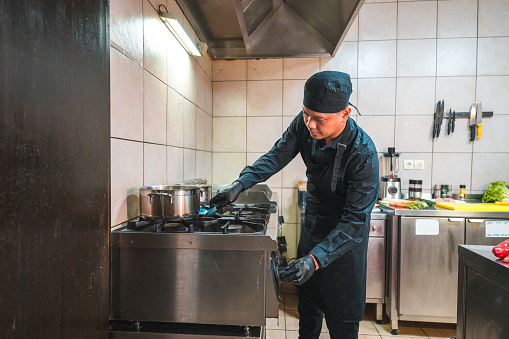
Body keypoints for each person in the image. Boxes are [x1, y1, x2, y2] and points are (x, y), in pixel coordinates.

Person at [210, 71, 379, 339]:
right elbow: (276, 156)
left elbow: (355, 221)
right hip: (313, 231)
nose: (310, 125)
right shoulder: (304, 126)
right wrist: (240, 184)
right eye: (305, 114)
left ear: (345, 114)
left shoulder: (363, 154)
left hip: (343, 247)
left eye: (319, 119)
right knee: (308, 314)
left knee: (342, 325)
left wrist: (315, 260)